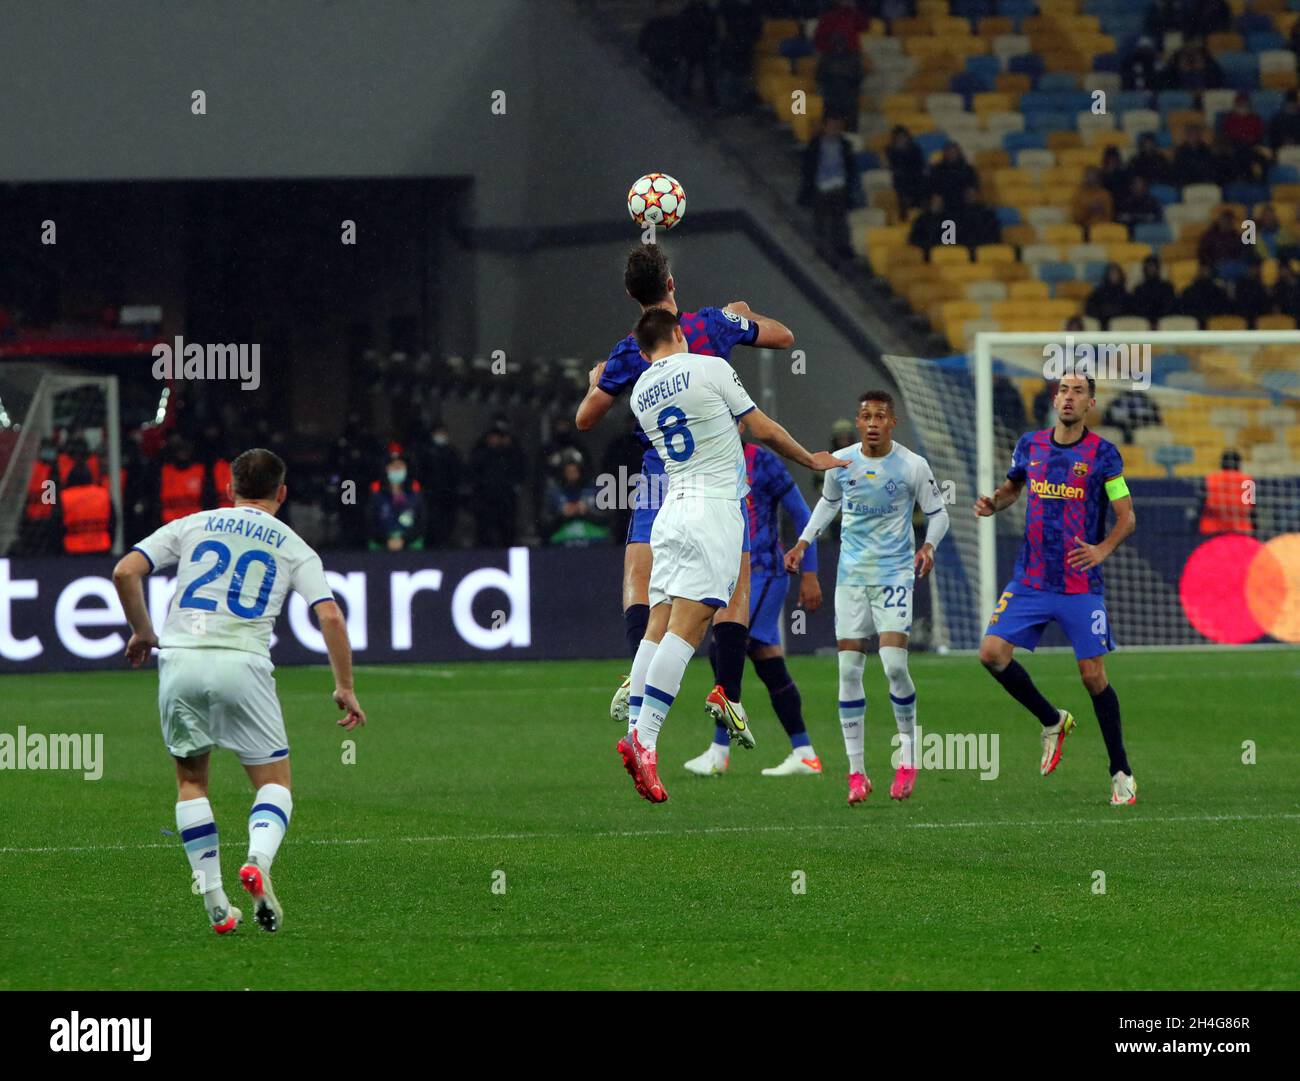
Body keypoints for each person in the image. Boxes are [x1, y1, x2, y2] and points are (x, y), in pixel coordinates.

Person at [111, 448, 366, 934]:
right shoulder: (294, 546)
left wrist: (144, 631)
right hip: (243, 663)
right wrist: (344, 686)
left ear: (229, 488)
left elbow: (125, 570)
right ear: (282, 493)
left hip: (181, 657)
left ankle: (213, 899)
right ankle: (258, 862)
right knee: (274, 784)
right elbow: (329, 614)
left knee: (192, 783)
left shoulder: (193, 524)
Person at [616, 308, 848, 803]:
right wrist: (810, 458)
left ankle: (637, 727)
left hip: (669, 511)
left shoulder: (639, 393)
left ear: (641, 351)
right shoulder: (710, 368)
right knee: (692, 624)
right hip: (713, 508)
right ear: (679, 333)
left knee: (659, 620)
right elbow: (760, 429)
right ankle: (645, 741)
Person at [574, 242, 795, 739]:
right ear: (671, 284)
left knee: (642, 574)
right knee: (734, 581)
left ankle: (639, 671)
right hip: (715, 474)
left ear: (633, 295)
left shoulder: (630, 349)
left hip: (660, 474)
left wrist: (596, 382)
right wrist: (745, 314)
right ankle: (728, 692)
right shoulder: (713, 324)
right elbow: (784, 337)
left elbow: (586, 419)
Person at [974, 372, 1138, 807]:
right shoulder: (1030, 445)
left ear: (1090, 403)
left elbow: (1126, 517)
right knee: (990, 654)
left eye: (1078, 391)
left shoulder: (1104, 455)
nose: (1068, 397)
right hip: (1030, 579)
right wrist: (994, 502)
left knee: (1092, 676)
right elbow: (1012, 488)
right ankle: (1052, 720)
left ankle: (1120, 769)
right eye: (1063, 390)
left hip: (1080, 584)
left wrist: (1102, 549)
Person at [784, 390, 950, 805]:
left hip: (894, 574)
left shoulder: (913, 465)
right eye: (865, 416)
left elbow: (939, 512)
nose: (872, 422)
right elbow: (827, 504)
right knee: (849, 672)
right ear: (858, 423)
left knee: (894, 665)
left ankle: (908, 759)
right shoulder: (842, 464)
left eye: (880, 416)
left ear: (893, 422)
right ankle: (856, 774)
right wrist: (804, 543)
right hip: (851, 577)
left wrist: (928, 545)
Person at [683, 439, 824, 778]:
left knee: (723, 649)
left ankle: (719, 750)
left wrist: (811, 573)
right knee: (767, 662)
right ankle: (804, 752)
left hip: (763, 570)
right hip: (728, 571)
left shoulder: (762, 462)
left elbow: (803, 513)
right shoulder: (707, 457)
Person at [797, 112, 865, 260]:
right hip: (821, 187)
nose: (835, 130)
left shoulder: (845, 145)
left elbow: (849, 167)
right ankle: (821, 247)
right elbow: (808, 167)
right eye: (832, 126)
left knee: (839, 221)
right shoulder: (815, 144)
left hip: (839, 186)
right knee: (820, 220)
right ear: (825, 127)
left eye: (838, 127)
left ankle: (840, 247)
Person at [470, 417, 521, 547]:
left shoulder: (508, 454)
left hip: (505, 501)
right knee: (485, 533)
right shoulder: (480, 453)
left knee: (507, 532)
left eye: (497, 437)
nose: (494, 440)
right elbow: (473, 474)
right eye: (492, 437)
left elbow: (519, 470)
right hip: (485, 502)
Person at [542, 454, 609, 546]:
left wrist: (587, 512)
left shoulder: (596, 489)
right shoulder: (554, 493)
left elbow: (608, 518)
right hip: (562, 544)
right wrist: (562, 515)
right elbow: (544, 524)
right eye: (568, 472)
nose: (572, 475)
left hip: (594, 542)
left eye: (574, 471)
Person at [367, 454, 426, 551]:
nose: (397, 470)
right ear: (386, 469)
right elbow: (371, 523)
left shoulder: (416, 497)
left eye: (400, 466)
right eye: (393, 467)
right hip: (381, 548)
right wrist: (386, 540)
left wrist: (404, 540)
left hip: (411, 547)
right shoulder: (377, 497)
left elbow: (421, 524)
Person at [59, 465, 113, 554]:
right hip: (101, 546)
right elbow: (113, 521)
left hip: (73, 547)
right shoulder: (103, 494)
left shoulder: (65, 497)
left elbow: (57, 525)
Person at [1198, 449, 1254, 534]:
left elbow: (1202, 505)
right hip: (1241, 529)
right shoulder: (1247, 480)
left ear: (1222, 463)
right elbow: (1251, 509)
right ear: (1239, 464)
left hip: (1213, 529)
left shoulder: (1210, 479)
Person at [927, 142, 978, 215]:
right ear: (944, 154)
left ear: (959, 153)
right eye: (949, 152)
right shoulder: (937, 170)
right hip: (943, 204)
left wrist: (970, 194)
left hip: (963, 202)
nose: (951, 155)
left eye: (953, 152)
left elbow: (973, 186)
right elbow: (932, 188)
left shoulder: (967, 169)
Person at [887, 126, 928, 214]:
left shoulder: (915, 149)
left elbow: (921, 166)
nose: (901, 140)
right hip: (901, 184)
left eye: (903, 137)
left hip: (917, 181)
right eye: (898, 138)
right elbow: (893, 169)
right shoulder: (890, 151)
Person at [1179, 261, 1233, 325]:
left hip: (1214, 325)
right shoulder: (1188, 291)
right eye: (1202, 271)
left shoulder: (1219, 292)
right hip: (1194, 324)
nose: (1204, 272)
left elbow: (1225, 312)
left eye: (1206, 271)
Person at [1130, 256, 1177, 325]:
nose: (1151, 269)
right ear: (1144, 269)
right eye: (1149, 266)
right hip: (1144, 324)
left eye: (1153, 266)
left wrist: (1158, 322)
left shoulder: (1167, 287)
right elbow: (1137, 310)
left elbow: (1169, 308)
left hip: (1164, 323)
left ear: (1158, 268)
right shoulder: (1138, 289)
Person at [1085, 263, 1132, 328]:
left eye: (1116, 274)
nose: (1114, 276)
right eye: (1112, 273)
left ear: (1120, 275)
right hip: (1103, 327)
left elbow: (1129, 312)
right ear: (1107, 275)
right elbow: (1090, 309)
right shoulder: (1098, 293)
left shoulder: (1126, 295)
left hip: (1120, 327)